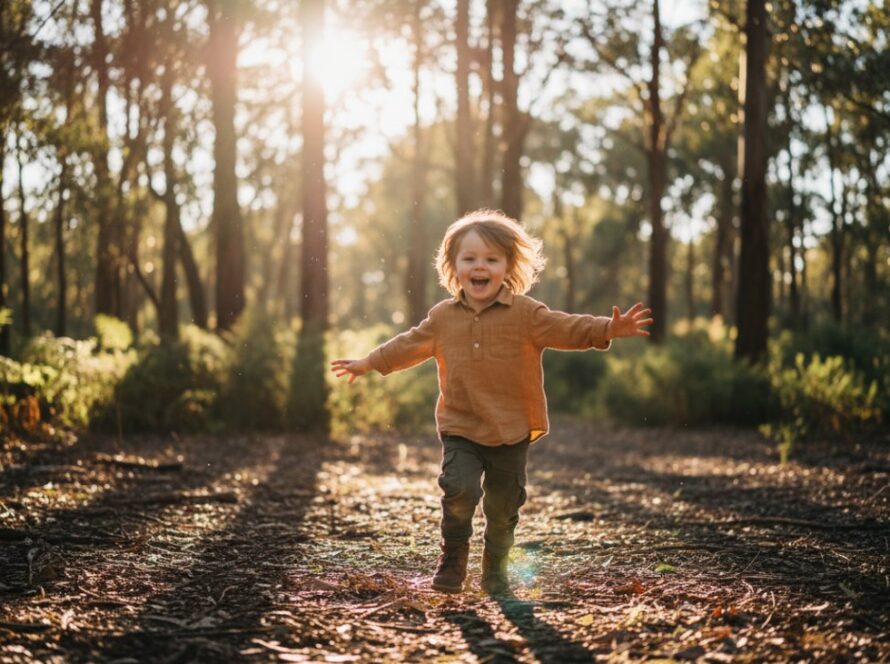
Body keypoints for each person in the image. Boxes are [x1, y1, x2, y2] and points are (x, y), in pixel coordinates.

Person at [331, 209, 652, 597]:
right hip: (461, 427)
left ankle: (495, 571)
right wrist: (369, 362)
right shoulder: (443, 317)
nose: (479, 266)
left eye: (491, 259)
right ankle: (452, 560)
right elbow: (408, 345)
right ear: (453, 267)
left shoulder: (527, 314)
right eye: (469, 259)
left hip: (511, 429)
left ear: (507, 266)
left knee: (503, 509)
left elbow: (567, 327)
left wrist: (607, 328)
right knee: (459, 488)